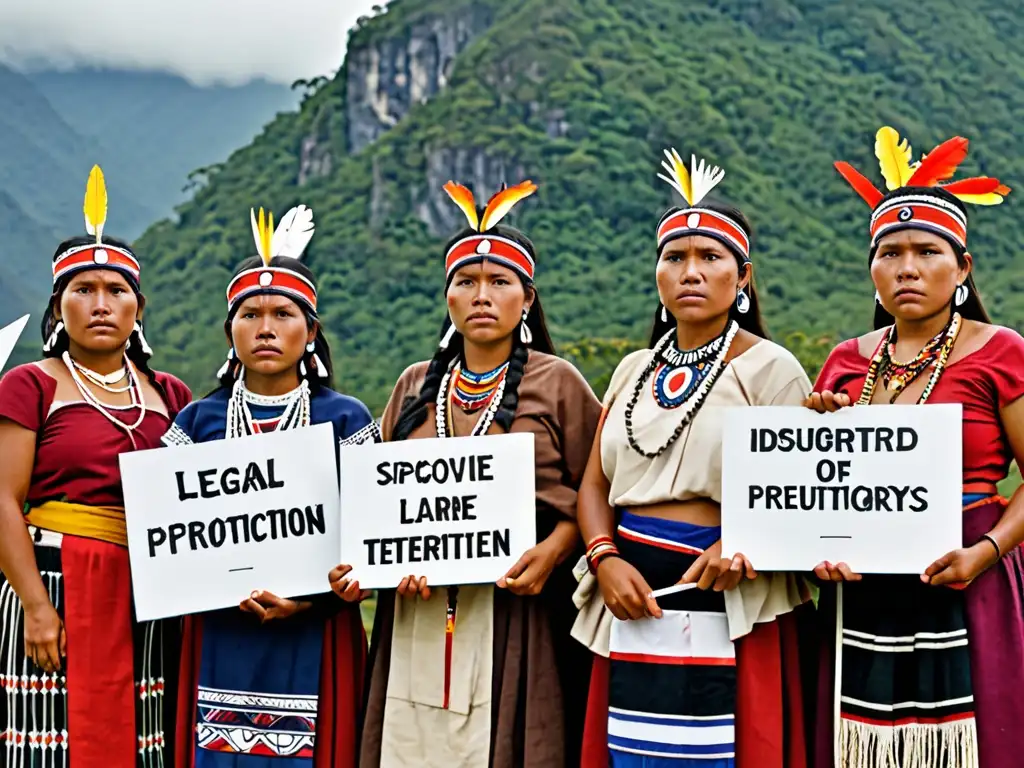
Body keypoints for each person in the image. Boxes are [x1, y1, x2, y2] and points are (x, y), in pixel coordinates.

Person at [572, 149, 814, 768]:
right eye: (674, 258)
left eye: (710, 258)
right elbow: (594, 487)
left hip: (731, 588)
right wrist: (605, 560)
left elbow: (802, 490)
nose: (691, 271)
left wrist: (742, 545)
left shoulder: (771, 368)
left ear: (743, 277)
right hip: (631, 583)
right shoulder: (633, 369)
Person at [349, 180, 602, 767]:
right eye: (466, 282)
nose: (481, 295)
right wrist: (384, 567)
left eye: (499, 282)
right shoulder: (414, 386)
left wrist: (556, 551)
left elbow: (599, 488)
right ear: (448, 298)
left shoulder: (557, 381)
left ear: (527, 298)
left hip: (518, 609)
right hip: (417, 609)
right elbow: (383, 502)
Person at [809, 126, 1024, 768]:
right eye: (890, 252)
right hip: (862, 590)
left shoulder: (1002, 351)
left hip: (969, 571)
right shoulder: (847, 362)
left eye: (927, 251)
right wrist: (816, 546)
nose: (906, 267)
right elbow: (815, 492)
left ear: (962, 268)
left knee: (984, 739)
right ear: (871, 269)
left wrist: (985, 552)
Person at [163, 204, 378, 768]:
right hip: (216, 626)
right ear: (229, 330)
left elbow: (372, 528)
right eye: (249, 315)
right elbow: (168, 535)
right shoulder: (195, 422)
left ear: (309, 331)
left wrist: (315, 598)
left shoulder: (347, 419)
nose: (264, 328)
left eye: (282, 314)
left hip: (315, 627)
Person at [0, 166, 192, 767]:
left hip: (147, 593)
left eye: (116, 290)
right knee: (48, 742)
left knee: (141, 739)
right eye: (83, 290)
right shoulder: (30, 385)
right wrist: (34, 604)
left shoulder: (171, 395)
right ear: (58, 308)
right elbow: (3, 498)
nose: (101, 304)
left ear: (139, 306)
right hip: (53, 581)